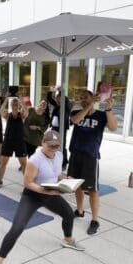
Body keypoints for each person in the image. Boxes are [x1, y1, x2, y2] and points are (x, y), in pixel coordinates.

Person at [0, 130, 84, 264]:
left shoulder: (59, 155)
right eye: (50, 145)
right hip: (32, 195)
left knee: (69, 214)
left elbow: (55, 174)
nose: (53, 149)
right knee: (17, 228)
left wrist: (66, 179)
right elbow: (27, 183)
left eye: (56, 146)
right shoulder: (35, 160)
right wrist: (45, 191)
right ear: (42, 142)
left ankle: (68, 239)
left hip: (50, 192)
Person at [69, 90, 117, 235]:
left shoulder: (101, 115)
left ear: (93, 98)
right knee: (76, 185)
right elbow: (75, 121)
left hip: (91, 156)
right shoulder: (76, 111)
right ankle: (80, 210)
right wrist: (89, 105)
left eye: (86, 97)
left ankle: (95, 220)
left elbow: (114, 128)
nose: (82, 99)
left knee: (93, 190)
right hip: (76, 154)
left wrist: (108, 109)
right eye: (81, 97)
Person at [0, 97, 28, 189]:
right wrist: (6, 100)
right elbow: (0, 111)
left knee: (24, 163)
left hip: (19, 141)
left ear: (19, 106)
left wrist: (21, 101)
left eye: (16, 105)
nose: (15, 106)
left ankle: (27, 185)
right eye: (13, 104)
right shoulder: (8, 115)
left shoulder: (22, 115)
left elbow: (26, 111)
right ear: (11, 105)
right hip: (8, 141)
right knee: (3, 162)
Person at [47, 86, 72, 170]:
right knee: (54, 144)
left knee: (62, 145)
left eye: (58, 99)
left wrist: (60, 90)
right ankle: (55, 160)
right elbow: (50, 99)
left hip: (62, 129)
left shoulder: (66, 106)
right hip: (54, 128)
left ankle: (64, 162)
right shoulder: (57, 105)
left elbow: (65, 100)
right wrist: (51, 91)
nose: (56, 100)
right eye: (56, 99)